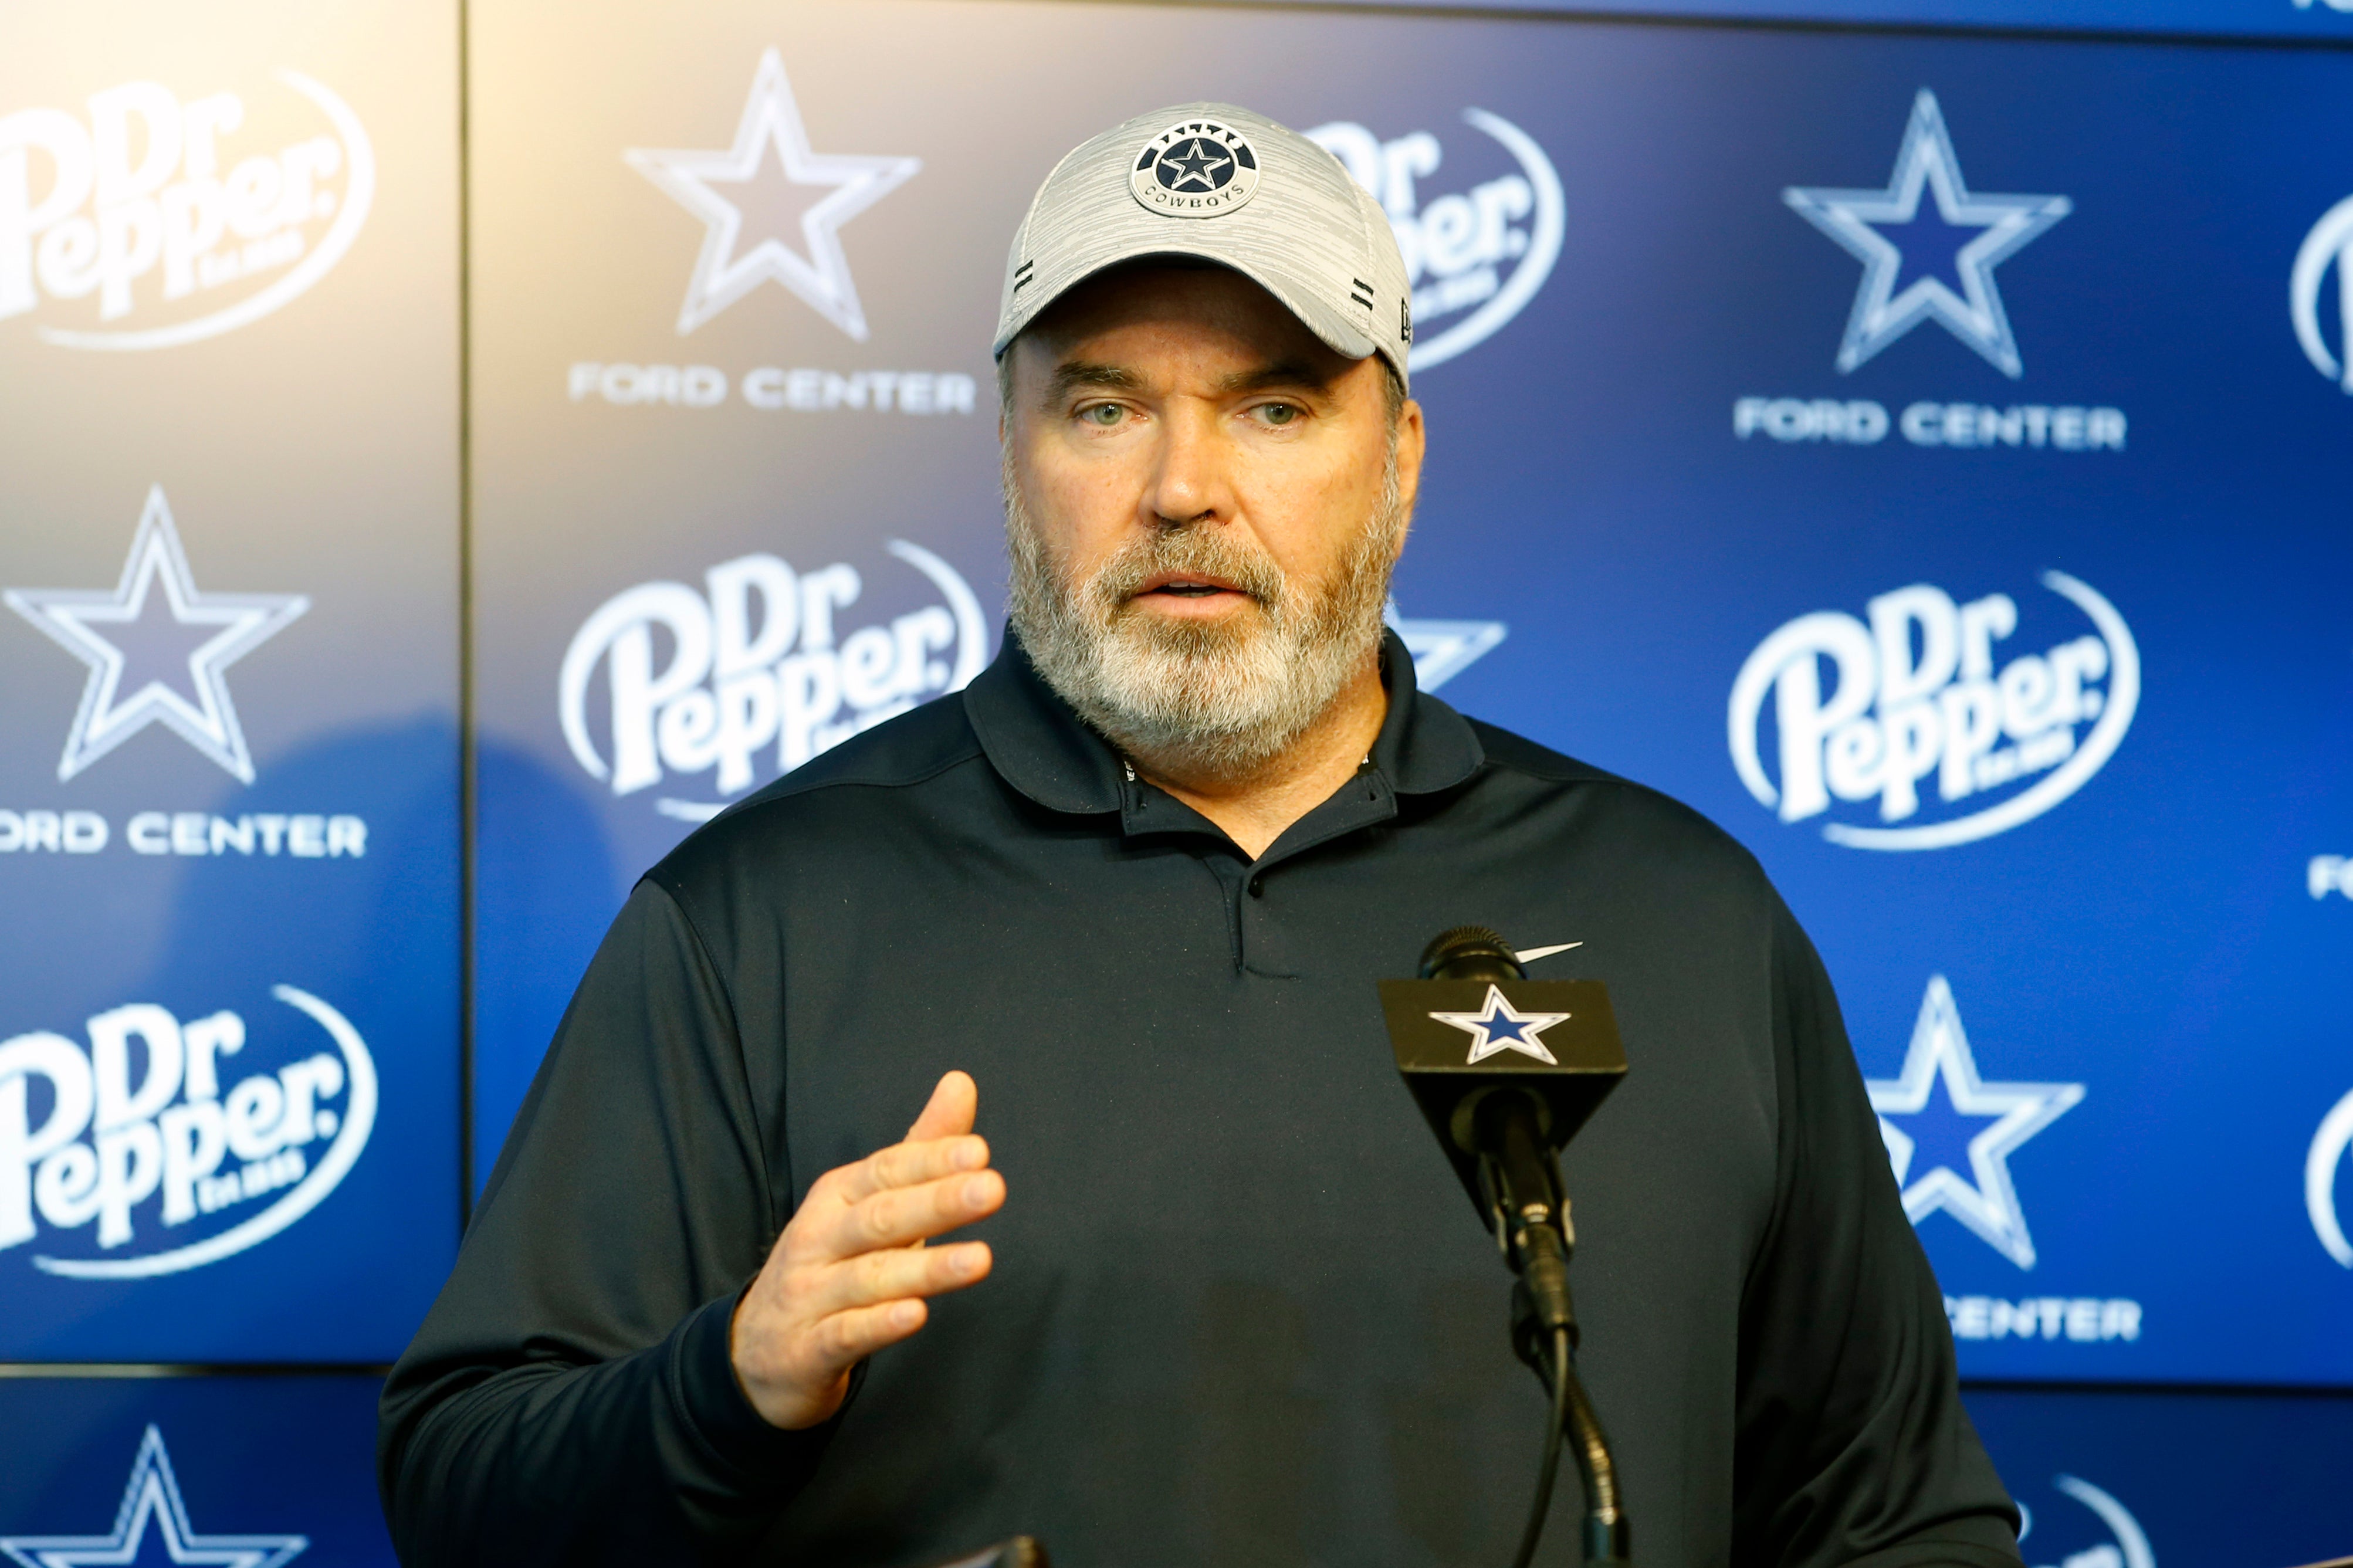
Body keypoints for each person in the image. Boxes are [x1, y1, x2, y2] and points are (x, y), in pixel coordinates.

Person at [379, 103, 2024, 1567]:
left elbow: (1894, 1520)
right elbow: (460, 1487)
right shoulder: (766, 914)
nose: (1181, 485)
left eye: (1275, 407)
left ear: (1398, 460)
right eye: (1102, 407)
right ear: (1009, 447)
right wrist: (727, 1385)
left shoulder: (1679, 918)